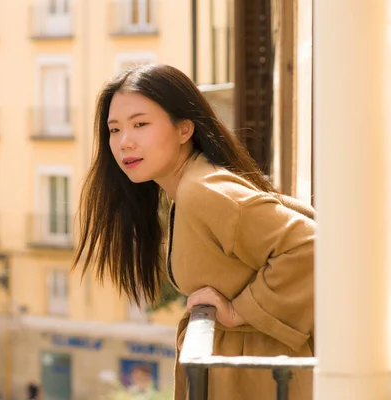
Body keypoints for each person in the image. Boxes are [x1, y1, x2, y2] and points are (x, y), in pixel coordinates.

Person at [72, 64, 315, 400]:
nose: (124, 142)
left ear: (184, 129)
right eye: (114, 130)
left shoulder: (202, 191)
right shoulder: (187, 191)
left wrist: (239, 311)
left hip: (265, 378)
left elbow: (311, 245)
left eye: (140, 124)